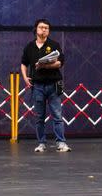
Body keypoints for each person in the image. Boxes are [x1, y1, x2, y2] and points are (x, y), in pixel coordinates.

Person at [21, 19, 71, 153]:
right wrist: (25, 77)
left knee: (57, 115)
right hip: (37, 85)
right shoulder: (29, 47)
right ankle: (41, 143)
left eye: (47, 28)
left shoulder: (54, 45)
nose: (44, 30)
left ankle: (61, 142)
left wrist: (44, 65)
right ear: (36, 29)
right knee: (39, 117)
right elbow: (24, 63)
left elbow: (60, 63)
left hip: (53, 84)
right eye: (42, 27)